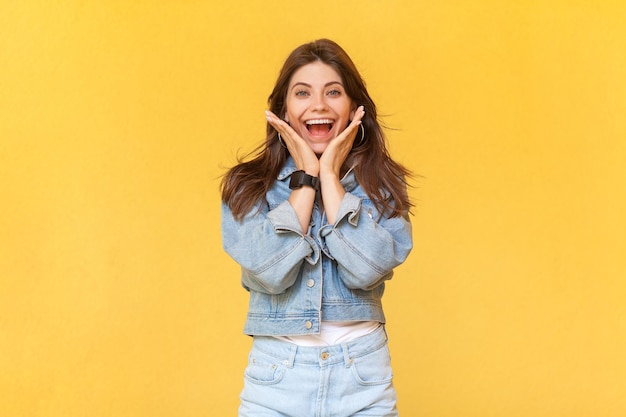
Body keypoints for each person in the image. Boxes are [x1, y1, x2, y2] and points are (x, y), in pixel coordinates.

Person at [220, 38, 413, 417]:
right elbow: (269, 271)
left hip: (363, 378)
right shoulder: (246, 185)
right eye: (302, 93)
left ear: (354, 108)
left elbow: (369, 268)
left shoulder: (382, 184)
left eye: (334, 92)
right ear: (283, 110)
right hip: (275, 380)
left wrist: (330, 177)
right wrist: (307, 178)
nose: (319, 105)